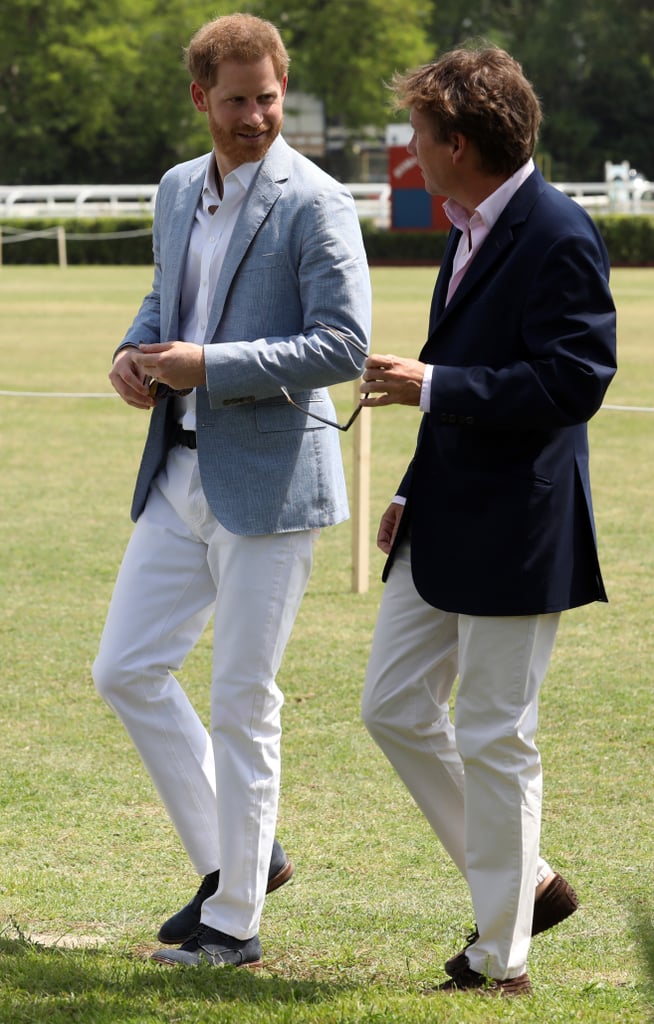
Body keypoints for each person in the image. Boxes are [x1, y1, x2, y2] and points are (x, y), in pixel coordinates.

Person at [92, 12, 371, 969]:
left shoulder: (317, 200)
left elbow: (341, 345)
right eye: (238, 98)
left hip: (272, 479)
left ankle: (235, 925)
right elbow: (166, 299)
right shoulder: (176, 188)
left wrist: (206, 363)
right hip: (177, 472)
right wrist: (136, 353)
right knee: (124, 669)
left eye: (269, 97)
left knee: (244, 701)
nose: (256, 116)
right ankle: (238, 858)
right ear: (201, 96)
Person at [360, 46, 616, 995]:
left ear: (458, 143)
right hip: (444, 516)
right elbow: (462, 382)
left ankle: (500, 960)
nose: (413, 152)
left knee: (496, 735)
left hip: (520, 530)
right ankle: (532, 883)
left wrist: (432, 383)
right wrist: (408, 490)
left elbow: (574, 381)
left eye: (420, 136)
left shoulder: (557, 232)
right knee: (391, 707)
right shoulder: (465, 225)